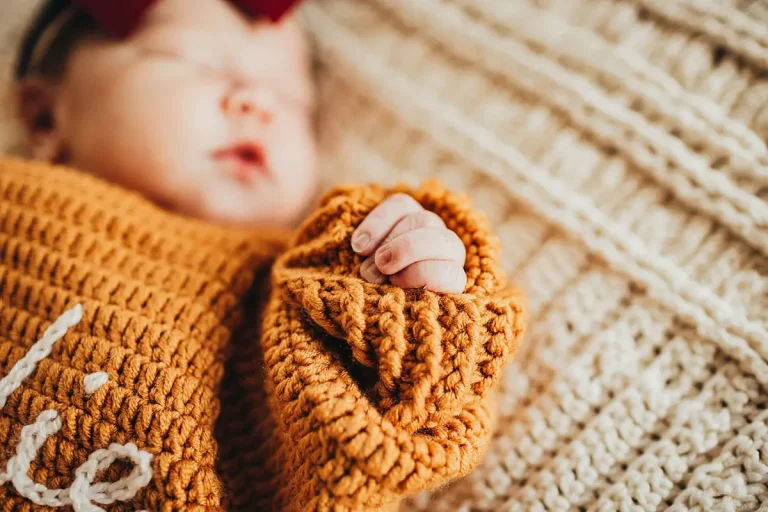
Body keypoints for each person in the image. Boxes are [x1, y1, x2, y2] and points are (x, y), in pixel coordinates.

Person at [0, 0, 525, 509]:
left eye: (292, 96)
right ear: (45, 119)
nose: (259, 101)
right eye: (196, 61)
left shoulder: (303, 283)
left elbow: (405, 426)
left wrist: (415, 302)